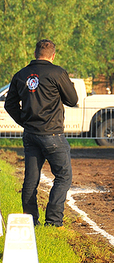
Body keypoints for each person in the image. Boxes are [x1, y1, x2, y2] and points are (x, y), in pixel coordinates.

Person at [4, 39, 78, 227]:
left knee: (31, 179)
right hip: (52, 135)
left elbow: (9, 104)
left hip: (30, 135)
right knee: (63, 176)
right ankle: (53, 222)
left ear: (35, 53)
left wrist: (25, 121)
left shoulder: (21, 75)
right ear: (53, 56)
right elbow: (72, 99)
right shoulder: (57, 73)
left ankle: (30, 221)